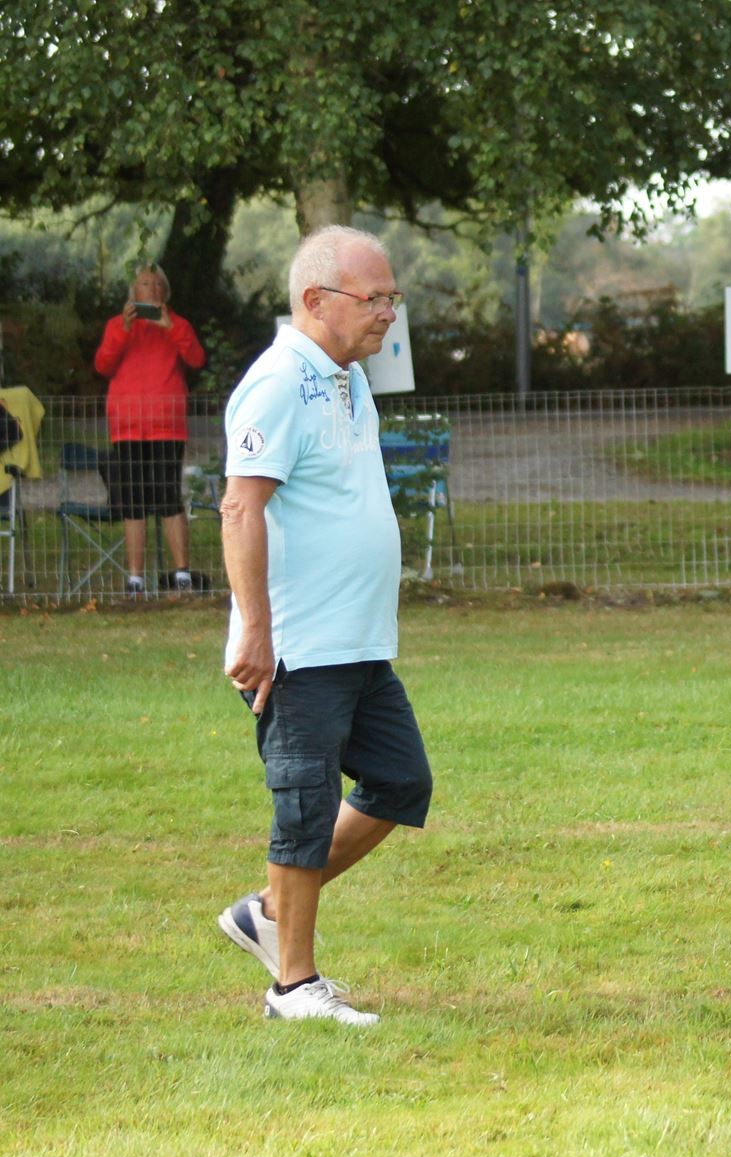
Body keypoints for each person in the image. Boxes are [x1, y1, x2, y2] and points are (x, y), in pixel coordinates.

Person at [214, 226, 429, 1026]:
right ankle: (293, 987)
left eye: (392, 298)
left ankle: (267, 914)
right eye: (373, 299)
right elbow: (241, 507)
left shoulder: (345, 378)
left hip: (359, 640)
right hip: (300, 646)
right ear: (315, 301)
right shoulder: (276, 382)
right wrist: (259, 632)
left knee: (402, 781)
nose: (387, 315)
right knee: (303, 807)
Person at [92, 265, 205, 594]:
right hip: (127, 426)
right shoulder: (117, 325)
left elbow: (196, 359)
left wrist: (170, 326)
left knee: (169, 498)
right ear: (133, 293)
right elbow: (103, 364)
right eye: (145, 284)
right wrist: (125, 329)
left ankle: (181, 573)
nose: (152, 290)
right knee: (133, 503)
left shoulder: (178, 324)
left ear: (165, 293)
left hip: (166, 425)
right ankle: (135, 578)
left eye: (158, 285)